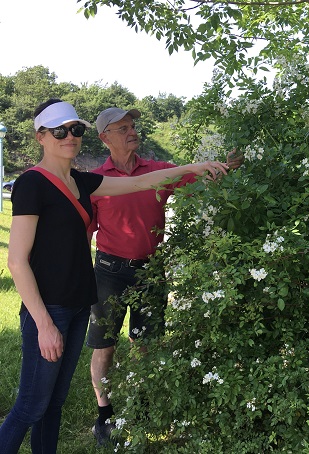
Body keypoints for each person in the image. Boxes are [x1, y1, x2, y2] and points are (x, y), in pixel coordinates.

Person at [0, 99, 228, 454]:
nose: (70, 137)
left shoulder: (82, 181)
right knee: (30, 407)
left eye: (75, 129)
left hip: (78, 305)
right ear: (40, 136)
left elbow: (144, 182)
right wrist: (44, 324)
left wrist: (197, 167)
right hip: (50, 309)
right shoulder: (32, 183)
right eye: (59, 131)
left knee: (53, 405)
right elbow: (16, 261)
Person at [86, 107, 244, 445]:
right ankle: (105, 416)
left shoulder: (159, 171)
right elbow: (86, 232)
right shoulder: (98, 182)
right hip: (109, 273)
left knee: (146, 345)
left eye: (133, 125)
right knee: (104, 347)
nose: (132, 131)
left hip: (151, 272)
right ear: (104, 138)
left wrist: (227, 166)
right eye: (122, 127)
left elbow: (203, 175)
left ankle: (142, 406)